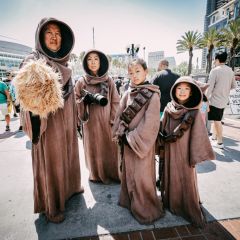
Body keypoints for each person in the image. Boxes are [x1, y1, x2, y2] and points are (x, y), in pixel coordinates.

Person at [14, 18, 83, 223]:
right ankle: (51, 205)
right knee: (50, 162)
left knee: (69, 156)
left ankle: (70, 190)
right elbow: (29, 97)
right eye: (49, 33)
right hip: (48, 126)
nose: (54, 37)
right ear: (40, 37)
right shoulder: (33, 61)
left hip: (66, 124)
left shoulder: (64, 63)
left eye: (58, 33)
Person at [112, 58, 164, 224]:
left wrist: (133, 139)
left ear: (146, 72)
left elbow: (151, 123)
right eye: (131, 72)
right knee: (128, 173)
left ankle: (146, 208)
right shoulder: (127, 92)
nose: (134, 76)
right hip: (127, 141)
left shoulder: (153, 94)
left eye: (138, 71)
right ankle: (129, 202)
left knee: (142, 176)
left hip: (141, 144)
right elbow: (120, 114)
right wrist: (119, 132)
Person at [159, 76, 215, 228]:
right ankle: (172, 201)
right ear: (174, 90)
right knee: (170, 174)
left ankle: (186, 204)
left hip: (185, 153)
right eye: (179, 88)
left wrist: (194, 155)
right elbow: (162, 128)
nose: (182, 92)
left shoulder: (194, 113)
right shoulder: (169, 107)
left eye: (186, 89)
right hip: (170, 150)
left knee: (185, 177)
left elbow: (199, 135)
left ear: (191, 93)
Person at [75, 50, 120, 184]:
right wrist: (84, 101)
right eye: (89, 59)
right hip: (90, 124)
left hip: (107, 123)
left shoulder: (109, 80)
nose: (93, 62)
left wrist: (112, 120)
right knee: (94, 147)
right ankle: (96, 174)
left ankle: (112, 173)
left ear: (101, 62)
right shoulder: (81, 82)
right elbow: (75, 101)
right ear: (85, 63)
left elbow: (115, 101)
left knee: (110, 148)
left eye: (96, 59)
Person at [206, 52, 236, 149]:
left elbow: (209, 87)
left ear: (217, 59)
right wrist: (224, 89)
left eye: (215, 60)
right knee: (216, 119)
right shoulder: (231, 71)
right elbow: (234, 86)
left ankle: (220, 142)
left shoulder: (215, 71)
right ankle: (214, 137)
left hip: (215, 100)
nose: (214, 61)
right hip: (224, 100)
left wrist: (205, 98)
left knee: (217, 121)